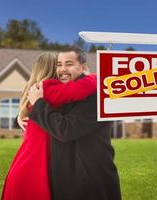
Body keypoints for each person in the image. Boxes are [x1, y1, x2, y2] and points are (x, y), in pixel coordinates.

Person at [27, 46, 121, 200]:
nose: (62, 69)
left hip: (91, 180)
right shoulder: (64, 91)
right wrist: (21, 115)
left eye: (69, 64)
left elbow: (66, 130)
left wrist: (38, 104)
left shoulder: (96, 95)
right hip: (67, 179)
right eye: (59, 64)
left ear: (82, 67)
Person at [1, 52, 98, 200]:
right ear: (53, 69)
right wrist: (92, 74)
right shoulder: (48, 90)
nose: (63, 69)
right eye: (59, 65)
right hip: (33, 173)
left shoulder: (35, 91)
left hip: (24, 167)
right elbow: (86, 87)